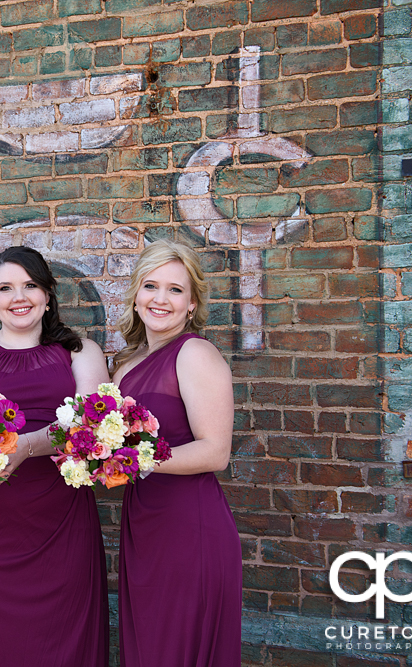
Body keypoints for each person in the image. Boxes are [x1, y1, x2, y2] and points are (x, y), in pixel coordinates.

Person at [0, 246, 110, 667]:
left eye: (30, 285)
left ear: (48, 295)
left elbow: (91, 428)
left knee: (62, 634)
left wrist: (25, 447)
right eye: (6, 288)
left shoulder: (81, 352)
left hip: (56, 520)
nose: (19, 297)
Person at [111, 239, 241, 667]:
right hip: (142, 519)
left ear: (191, 304)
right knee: (148, 645)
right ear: (135, 295)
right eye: (150, 286)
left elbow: (215, 452)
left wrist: (131, 459)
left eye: (175, 290)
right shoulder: (125, 365)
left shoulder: (195, 354)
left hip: (190, 524)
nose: (160, 299)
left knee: (179, 647)